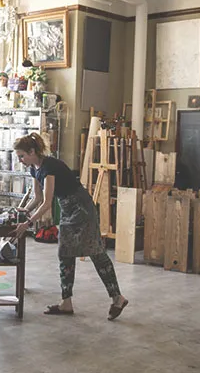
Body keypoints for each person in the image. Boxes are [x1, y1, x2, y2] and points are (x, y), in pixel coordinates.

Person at [9, 133, 129, 320]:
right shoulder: (34, 168)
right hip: (67, 208)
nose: (20, 160)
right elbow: (38, 198)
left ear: (32, 151)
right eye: (18, 156)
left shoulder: (50, 166)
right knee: (64, 253)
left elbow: (47, 203)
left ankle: (118, 298)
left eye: (22, 156)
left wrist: (28, 223)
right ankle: (66, 302)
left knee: (96, 252)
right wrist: (24, 210)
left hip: (82, 209)